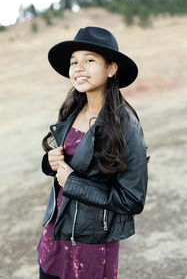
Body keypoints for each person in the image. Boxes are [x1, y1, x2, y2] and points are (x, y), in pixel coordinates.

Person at [37, 26, 148, 279]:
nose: (78, 67)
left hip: (91, 245)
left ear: (111, 69)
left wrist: (73, 183)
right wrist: (49, 162)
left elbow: (132, 199)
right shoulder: (72, 110)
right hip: (55, 235)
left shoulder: (125, 125)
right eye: (74, 61)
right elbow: (66, 166)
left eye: (89, 60)